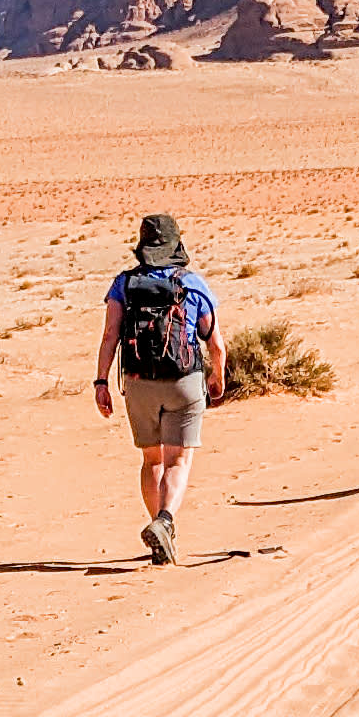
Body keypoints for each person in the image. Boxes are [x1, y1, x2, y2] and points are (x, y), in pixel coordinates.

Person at [93, 212, 224, 565]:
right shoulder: (191, 283)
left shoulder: (124, 284)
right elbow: (213, 340)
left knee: (151, 459)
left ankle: (159, 532)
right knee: (177, 460)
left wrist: (101, 382)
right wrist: (218, 375)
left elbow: (110, 336)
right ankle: (165, 521)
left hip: (138, 384)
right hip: (183, 382)